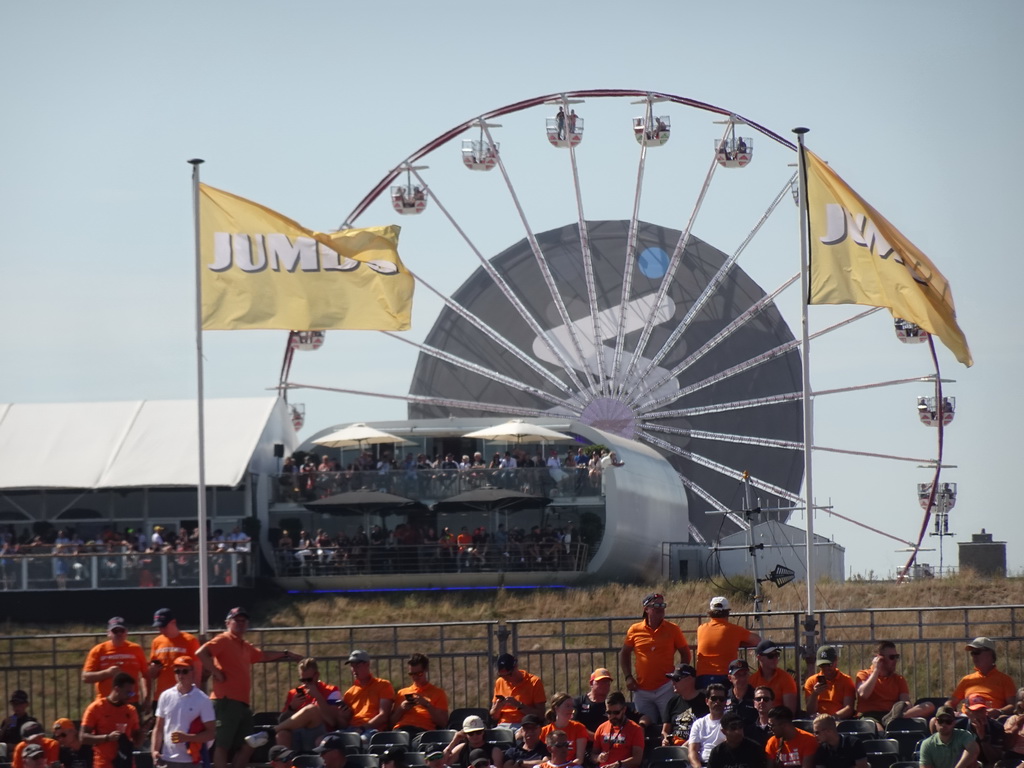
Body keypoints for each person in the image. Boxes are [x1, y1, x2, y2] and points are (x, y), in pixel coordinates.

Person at [196, 607, 301, 768]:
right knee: (222, 745)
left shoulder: (245, 646)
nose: (240, 624)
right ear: (227, 623)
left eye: (243, 621)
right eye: (236, 620)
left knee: (249, 744)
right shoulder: (223, 639)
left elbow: (263, 655)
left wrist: (286, 653)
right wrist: (216, 672)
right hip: (225, 701)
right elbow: (201, 653)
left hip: (242, 704)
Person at [620, 592, 691, 725]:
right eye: (656, 605)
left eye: (663, 605)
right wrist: (628, 677)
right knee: (644, 724)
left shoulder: (673, 629)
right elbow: (624, 653)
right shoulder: (634, 629)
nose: (661, 608)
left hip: (666, 687)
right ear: (646, 609)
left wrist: (679, 676)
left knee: (669, 723)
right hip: (641, 689)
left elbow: (685, 653)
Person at [151, 656, 216, 768]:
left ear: (193, 672)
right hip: (167, 759)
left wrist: (188, 738)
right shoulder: (165, 696)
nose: (181, 675)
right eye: (177, 671)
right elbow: (158, 727)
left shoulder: (203, 700)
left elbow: (211, 733)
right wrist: (154, 751)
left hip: (192, 760)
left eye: (185, 671)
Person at [271, 657, 343, 751]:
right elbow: (282, 722)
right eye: (302, 680)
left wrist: (318, 696)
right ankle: (286, 763)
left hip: (320, 733)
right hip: (298, 734)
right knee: (282, 734)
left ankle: (270, 731)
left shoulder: (331, 691)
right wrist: (291, 708)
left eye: (308, 680)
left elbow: (332, 721)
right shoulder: (294, 693)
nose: (305, 683)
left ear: (316, 675)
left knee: (311, 710)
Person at [82, 617, 150, 712]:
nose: (119, 634)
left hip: (130, 701)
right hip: (105, 702)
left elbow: (145, 675)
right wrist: (107, 673)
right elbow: (85, 677)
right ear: (108, 633)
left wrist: (147, 698)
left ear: (126, 632)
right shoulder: (98, 650)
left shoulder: (136, 649)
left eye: (121, 631)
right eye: (115, 631)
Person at [80, 672, 145, 768]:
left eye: (132, 693)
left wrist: (143, 731)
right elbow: (83, 737)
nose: (130, 696)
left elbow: (137, 742)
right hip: (104, 763)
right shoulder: (96, 708)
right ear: (117, 689)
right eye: (128, 693)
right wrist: (107, 737)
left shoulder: (131, 710)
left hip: (126, 762)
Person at [855, 641, 930, 725]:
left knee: (929, 706)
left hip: (892, 714)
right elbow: (863, 694)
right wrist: (876, 671)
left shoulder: (898, 679)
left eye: (896, 657)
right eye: (891, 657)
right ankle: (890, 723)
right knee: (877, 729)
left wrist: (904, 706)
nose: (895, 661)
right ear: (879, 659)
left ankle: (893, 719)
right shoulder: (864, 674)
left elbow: (905, 700)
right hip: (870, 715)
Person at [695, 597, 760, 688]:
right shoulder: (734, 630)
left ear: (710, 612)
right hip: (725, 676)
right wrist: (739, 643)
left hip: (703, 676)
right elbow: (757, 640)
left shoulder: (701, 628)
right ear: (727, 612)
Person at [947, 638, 1017, 718]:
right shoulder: (967, 679)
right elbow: (950, 703)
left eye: (977, 652)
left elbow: (1013, 705)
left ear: (990, 654)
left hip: (991, 721)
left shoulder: (1005, 680)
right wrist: (950, 712)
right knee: (935, 721)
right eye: (972, 653)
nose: (974, 656)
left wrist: (999, 711)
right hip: (966, 719)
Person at [338, 649, 395, 740]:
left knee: (360, 740)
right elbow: (344, 723)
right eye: (352, 666)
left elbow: (383, 716)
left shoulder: (383, 685)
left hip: (373, 730)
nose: (354, 670)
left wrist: (363, 727)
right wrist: (344, 717)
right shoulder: (349, 693)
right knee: (327, 740)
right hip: (352, 729)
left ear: (367, 664)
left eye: (357, 665)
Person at [149, 609, 201, 704]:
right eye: (159, 627)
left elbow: (197, 669)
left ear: (173, 622)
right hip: (161, 695)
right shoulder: (156, 642)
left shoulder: (190, 640)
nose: (161, 629)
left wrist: (194, 693)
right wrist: (153, 670)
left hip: (183, 694)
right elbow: (153, 675)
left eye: (164, 626)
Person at [391, 652, 449, 735]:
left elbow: (443, 723)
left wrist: (427, 705)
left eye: (419, 674)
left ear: (426, 670)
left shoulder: (438, 693)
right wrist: (401, 709)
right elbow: (391, 723)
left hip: (423, 731)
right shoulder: (402, 693)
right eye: (411, 674)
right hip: (401, 730)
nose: (415, 677)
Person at [491, 653, 547, 726]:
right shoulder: (500, 681)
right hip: (503, 725)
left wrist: (518, 705)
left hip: (524, 725)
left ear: (516, 667)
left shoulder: (534, 682)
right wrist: (498, 707)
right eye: (502, 676)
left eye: (508, 675)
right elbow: (494, 717)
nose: (506, 679)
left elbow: (540, 715)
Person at [803, 647, 856, 720]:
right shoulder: (811, 681)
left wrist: (830, 718)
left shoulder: (846, 680)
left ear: (836, 661)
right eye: (822, 665)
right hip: (816, 721)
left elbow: (848, 709)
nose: (826, 668)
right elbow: (810, 711)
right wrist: (815, 694)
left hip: (839, 720)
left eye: (829, 665)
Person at [593, 692, 643, 768]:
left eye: (616, 713)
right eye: (609, 713)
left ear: (624, 710)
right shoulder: (601, 728)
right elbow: (593, 755)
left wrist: (619, 764)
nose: (612, 716)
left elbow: (637, 759)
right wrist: (598, 758)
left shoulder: (635, 729)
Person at [661, 664, 708, 747]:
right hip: (674, 747)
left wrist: (685, 745)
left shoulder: (706, 701)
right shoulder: (673, 702)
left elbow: (707, 730)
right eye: (672, 679)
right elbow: (665, 731)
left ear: (690, 679)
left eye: (676, 679)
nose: (673, 683)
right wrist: (666, 739)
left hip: (697, 747)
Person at [749, 640, 797, 713]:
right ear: (759, 657)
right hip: (758, 721)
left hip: (780, 721)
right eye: (770, 656)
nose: (775, 659)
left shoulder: (786, 678)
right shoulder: (752, 680)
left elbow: (790, 712)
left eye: (777, 655)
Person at [688, 684, 729, 768]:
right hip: (703, 764)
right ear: (707, 701)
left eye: (721, 699)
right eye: (714, 699)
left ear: (725, 702)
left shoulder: (732, 721)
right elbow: (692, 751)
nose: (717, 702)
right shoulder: (699, 724)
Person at [540, 694, 587, 766]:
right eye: (567, 706)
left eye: (572, 706)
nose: (571, 709)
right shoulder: (545, 730)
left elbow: (579, 759)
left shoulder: (579, 728)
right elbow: (544, 757)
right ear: (556, 708)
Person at [964, 694, 1004, 767]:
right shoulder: (960, 726)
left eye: (982, 710)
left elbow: (996, 759)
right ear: (967, 711)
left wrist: (983, 737)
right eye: (975, 711)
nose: (980, 714)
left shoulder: (996, 727)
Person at [574, 668, 612, 735]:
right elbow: (574, 724)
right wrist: (594, 737)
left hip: (605, 742)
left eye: (607, 682)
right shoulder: (579, 702)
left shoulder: (612, 704)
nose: (605, 685)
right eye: (601, 681)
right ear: (591, 683)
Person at [724, 660, 756, 724]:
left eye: (744, 674)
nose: (742, 678)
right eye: (738, 675)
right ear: (730, 678)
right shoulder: (724, 697)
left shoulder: (756, 696)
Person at [1001, 688, 1024, 768]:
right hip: (1015, 757)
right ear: (1020, 704)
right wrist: (1017, 726)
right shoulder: (1013, 719)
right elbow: (1007, 745)